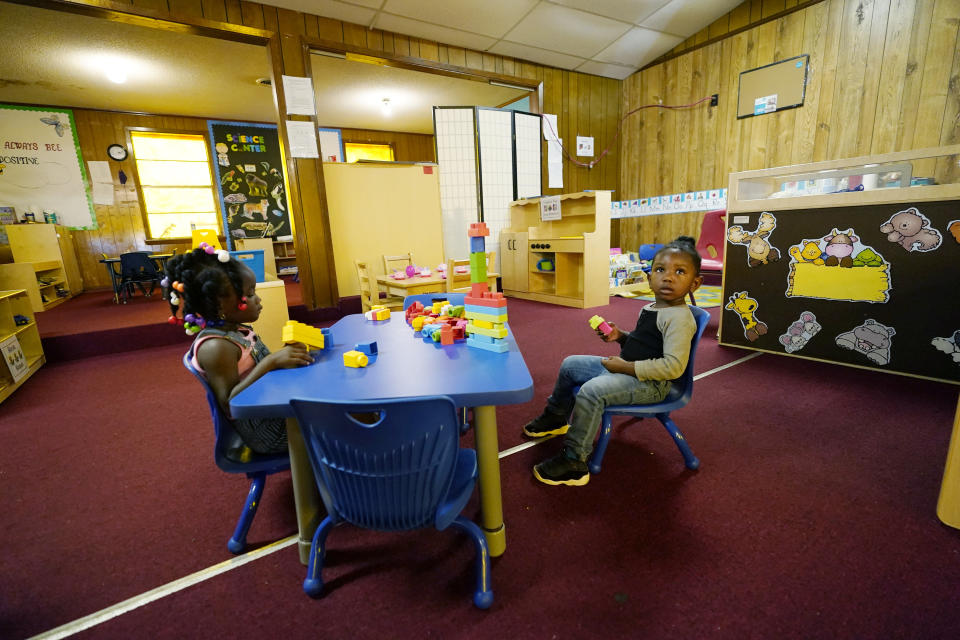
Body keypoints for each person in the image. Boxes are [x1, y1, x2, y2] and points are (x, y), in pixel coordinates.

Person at [523, 236, 703, 486]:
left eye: (679, 272)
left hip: (652, 385)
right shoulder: (652, 307)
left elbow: (673, 367)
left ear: (695, 283)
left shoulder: (679, 319)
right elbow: (645, 345)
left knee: (591, 391)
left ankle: (574, 461)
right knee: (570, 364)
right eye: (660, 270)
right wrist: (621, 337)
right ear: (649, 277)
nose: (668, 277)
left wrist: (624, 367)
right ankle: (555, 417)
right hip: (628, 370)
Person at [165, 244, 313, 457]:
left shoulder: (236, 330)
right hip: (268, 432)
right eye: (250, 293)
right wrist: (271, 362)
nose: (258, 299)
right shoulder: (216, 347)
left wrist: (282, 358)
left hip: (273, 408)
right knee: (336, 417)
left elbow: (253, 371)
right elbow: (229, 402)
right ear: (220, 306)